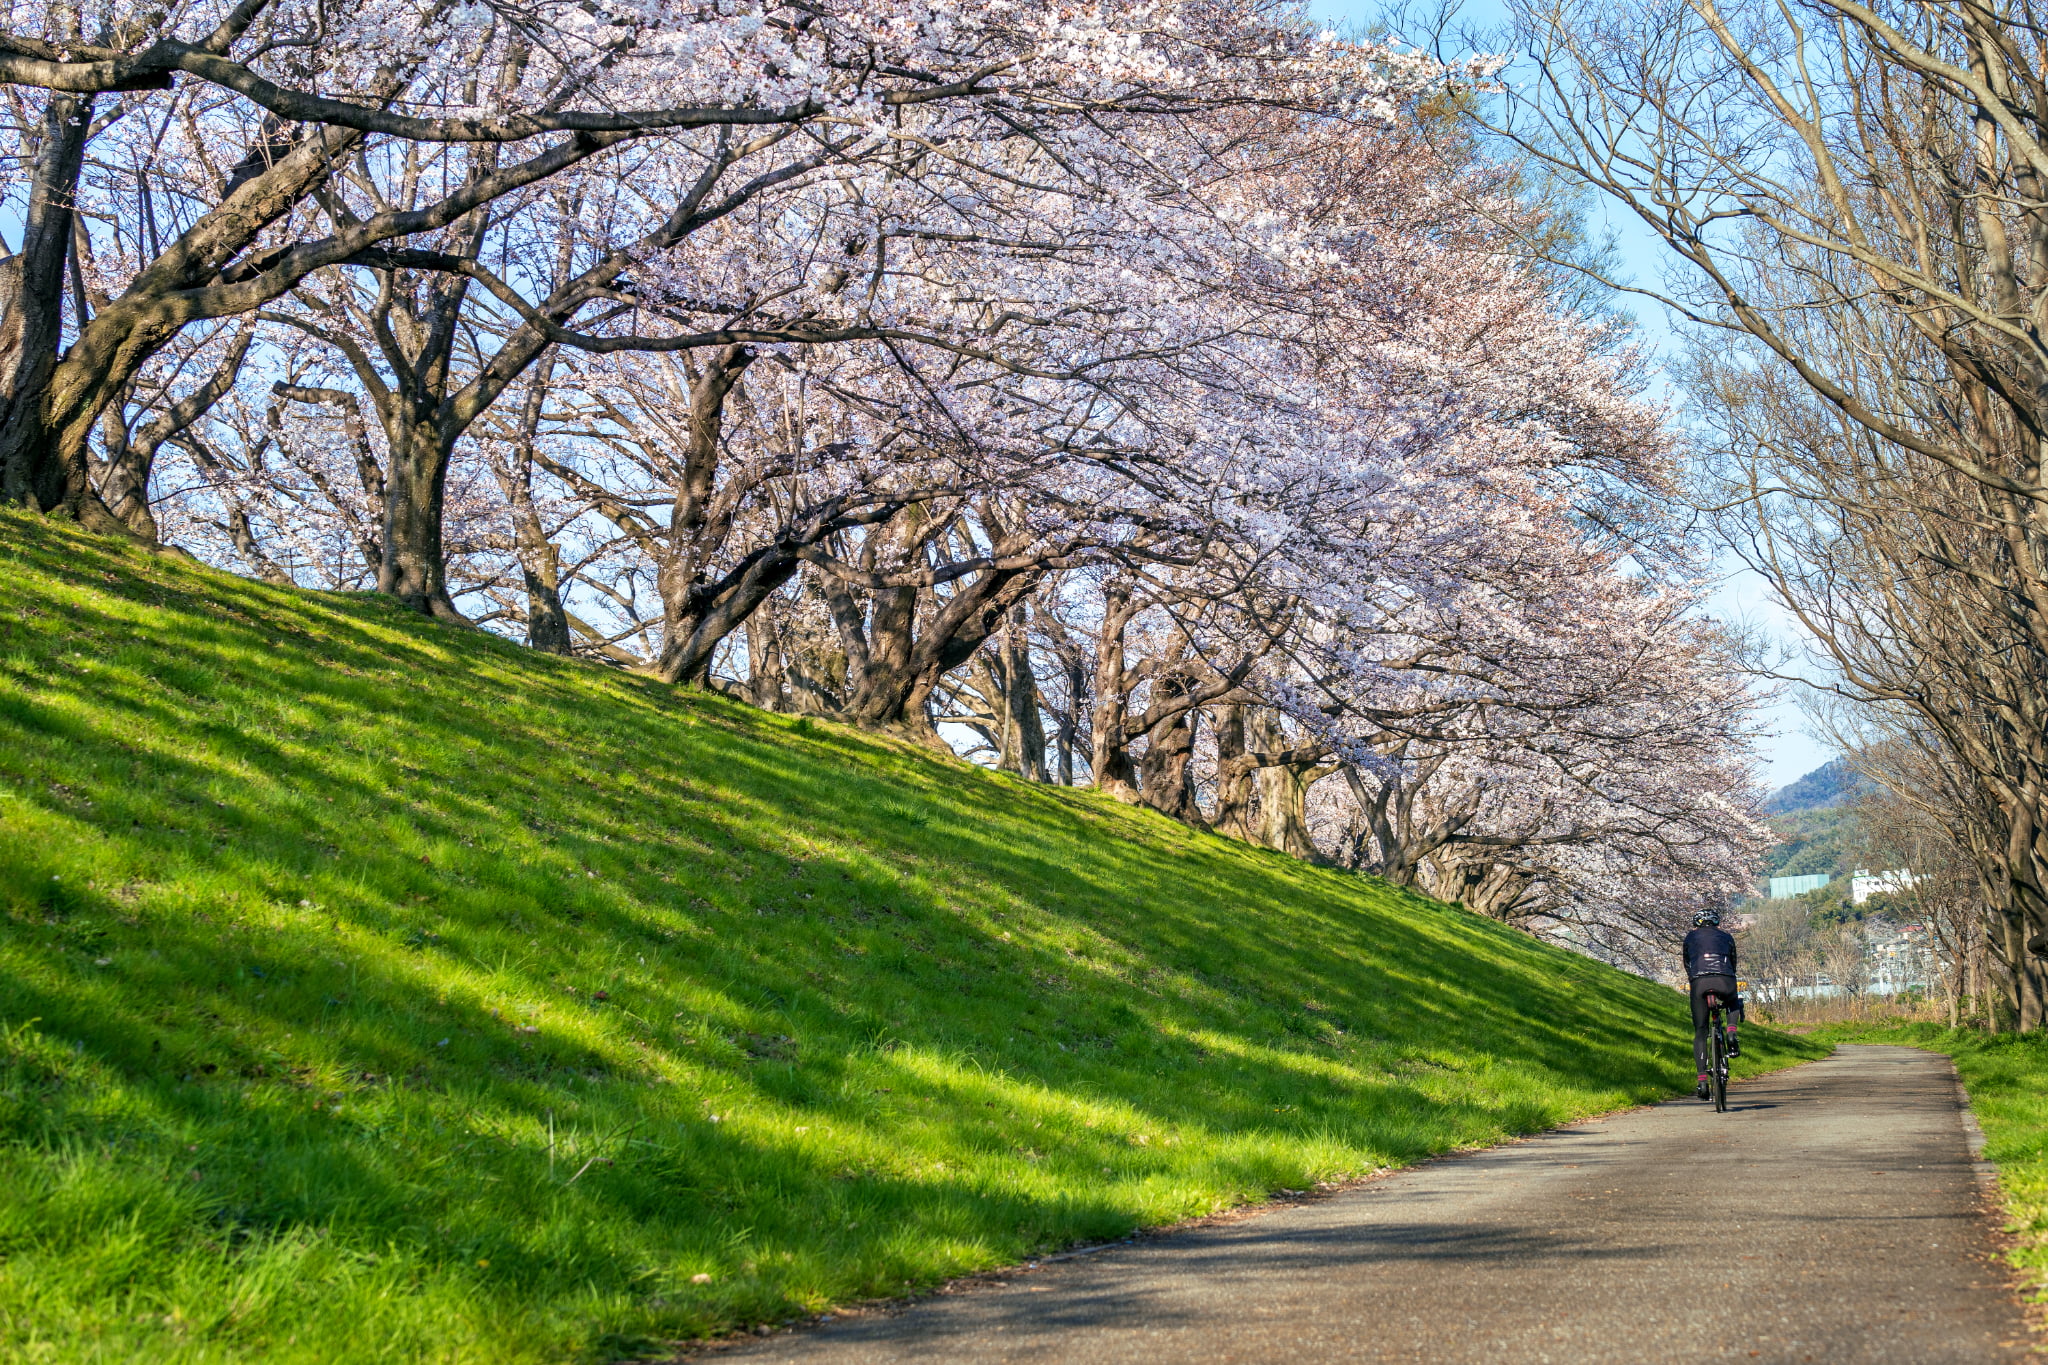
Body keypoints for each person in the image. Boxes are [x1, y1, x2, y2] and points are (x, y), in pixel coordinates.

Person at [1683, 910, 1741, 1100]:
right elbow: (1733, 962)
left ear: (1696, 924)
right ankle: (1731, 1032)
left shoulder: (1690, 937)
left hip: (1700, 983)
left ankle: (1702, 1081)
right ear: (1716, 923)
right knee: (1733, 1001)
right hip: (1725, 979)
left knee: (1700, 1032)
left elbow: (1687, 964)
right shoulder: (1726, 936)